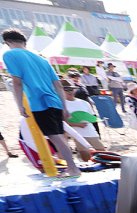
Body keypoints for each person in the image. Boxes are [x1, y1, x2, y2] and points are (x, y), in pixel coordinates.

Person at [2, 28, 81, 177]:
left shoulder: (10, 54)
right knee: (58, 136)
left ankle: (73, 168)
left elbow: (17, 82)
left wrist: (20, 105)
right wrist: (64, 106)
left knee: (54, 136)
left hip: (39, 101)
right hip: (55, 100)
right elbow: (57, 84)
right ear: (24, 41)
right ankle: (71, 166)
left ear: (7, 42)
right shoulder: (41, 58)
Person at [62, 79, 106, 158]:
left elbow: (92, 117)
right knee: (86, 156)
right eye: (66, 90)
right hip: (77, 133)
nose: (69, 92)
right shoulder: (62, 104)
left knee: (102, 152)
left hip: (90, 131)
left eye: (71, 89)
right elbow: (63, 122)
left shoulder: (84, 103)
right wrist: (77, 124)